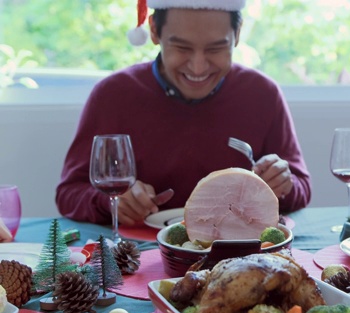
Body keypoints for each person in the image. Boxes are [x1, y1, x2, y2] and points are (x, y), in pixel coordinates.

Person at [56, 0, 311, 226]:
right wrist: (108, 202)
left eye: (215, 49)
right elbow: (69, 193)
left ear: (237, 34)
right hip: (140, 253)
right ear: (154, 30)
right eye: (182, 48)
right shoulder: (113, 94)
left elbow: (301, 186)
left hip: (237, 253)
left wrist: (281, 183)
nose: (198, 67)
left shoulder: (262, 93)